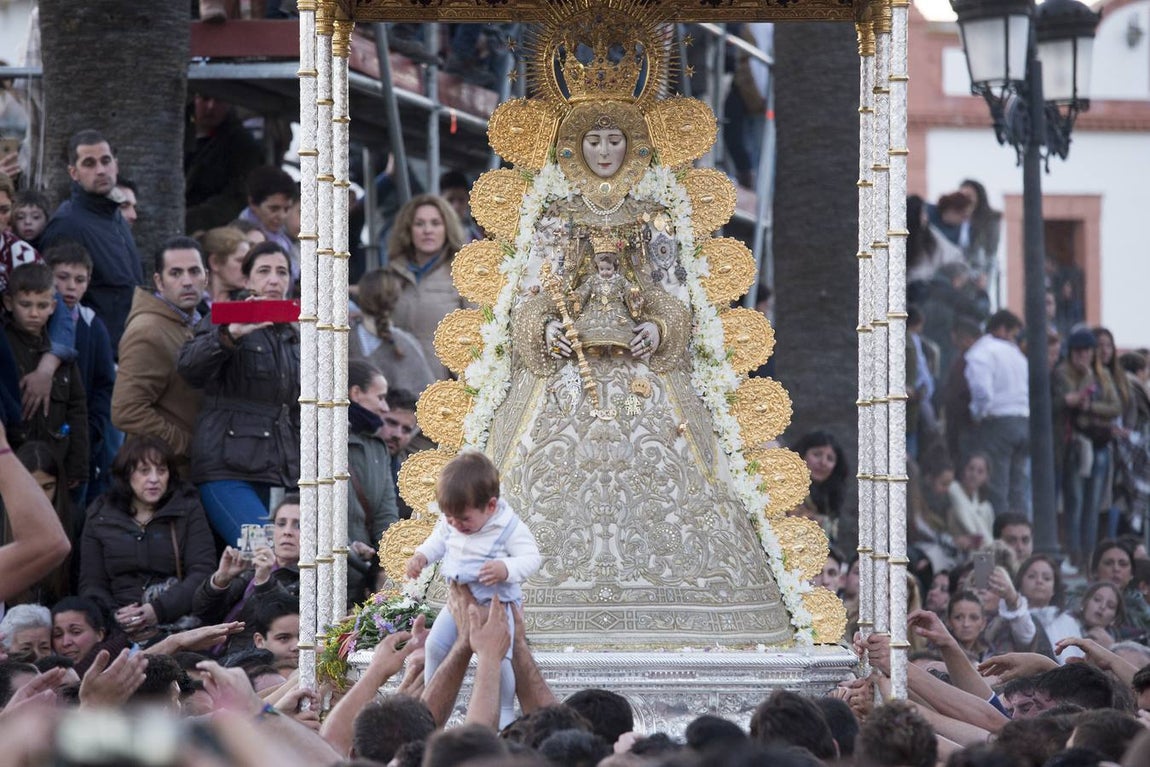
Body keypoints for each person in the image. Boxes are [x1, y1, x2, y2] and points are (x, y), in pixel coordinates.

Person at [406, 451, 542, 728]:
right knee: (435, 646)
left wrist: (505, 568)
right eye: (449, 517)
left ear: (490, 506)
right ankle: (431, 703)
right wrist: (421, 556)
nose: (455, 524)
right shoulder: (452, 520)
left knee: (498, 659)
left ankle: (504, 712)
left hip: (496, 606)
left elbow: (532, 558)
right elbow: (437, 542)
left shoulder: (508, 526)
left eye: (464, 519)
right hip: (459, 602)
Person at [178, 241, 300, 544]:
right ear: (246, 280)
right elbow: (189, 368)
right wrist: (228, 335)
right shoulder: (227, 317)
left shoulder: (294, 332)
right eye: (264, 271)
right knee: (261, 552)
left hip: (279, 470)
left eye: (282, 272)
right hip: (227, 468)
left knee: (284, 561)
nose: (274, 279)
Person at [79, 435, 217, 639]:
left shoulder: (187, 508)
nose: (154, 479)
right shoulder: (99, 515)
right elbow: (92, 583)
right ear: (126, 474)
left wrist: (158, 610)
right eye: (144, 471)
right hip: (117, 627)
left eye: (161, 471)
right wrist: (113, 615)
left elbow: (202, 572)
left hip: (174, 623)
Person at [40, 129, 143, 350]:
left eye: (106, 161)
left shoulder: (116, 215)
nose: (101, 170)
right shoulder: (67, 224)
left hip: (130, 345)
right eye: (89, 163)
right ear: (73, 172)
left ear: (116, 164)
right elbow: (58, 302)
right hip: (94, 350)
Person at [111, 238, 207, 472]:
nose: (187, 281)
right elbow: (126, 412)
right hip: (163, 474)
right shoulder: (148, 331)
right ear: (159, 282)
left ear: (207, 277)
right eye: (175, 273)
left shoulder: (194, 321)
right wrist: (187, 445)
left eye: (194, 271)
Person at [2, 263, 89, 488]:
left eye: (41, 305)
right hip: (15, 461)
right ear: (9, 303)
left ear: (53, 306)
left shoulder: (61, 356)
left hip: (56, 462)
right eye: (25, 304)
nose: (33, 313)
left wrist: (77, 466)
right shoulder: (5, 349)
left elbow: (77, 410)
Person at [45, 242, 117, 503]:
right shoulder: (36, 320)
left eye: (80, 279)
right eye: (62, 278)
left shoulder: (92, 325)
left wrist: (92, 432)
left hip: (81, 438)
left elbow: (103, 385)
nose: (71, 287)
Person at [1053, 329, 1121, 567]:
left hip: (1098, 444)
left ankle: (1089, 556)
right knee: (1076, 502)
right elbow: (1068, 401)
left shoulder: (1101, 374)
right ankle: (1075, 554)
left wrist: (1092, 406)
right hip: (1076, 445)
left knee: (1093, 504)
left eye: (1087, 351)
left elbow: (1114, 406)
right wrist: (1085, 380)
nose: (1083, 356)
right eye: (1079, 351)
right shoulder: (1063, 373)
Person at [382, 194, 467, 381]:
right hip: (397, 383)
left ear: (447, 228)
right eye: (419, 224)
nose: (427, 230)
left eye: (435, 223)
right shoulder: (393, 272)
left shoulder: (464, 273)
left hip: (442, 389)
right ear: (408, 230)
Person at [966, 309, 1030, 516]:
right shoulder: (1017, 355)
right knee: (1018, 487)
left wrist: (978, 414)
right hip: (1022, 420)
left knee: (997, 488)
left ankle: (1001, 536)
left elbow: (982, 391)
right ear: (1001, 329)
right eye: (1013, 333)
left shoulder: (983, 352)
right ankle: (1021, 533)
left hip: (998, 422)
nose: (1015, 339)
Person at [0, 418, 71, 605]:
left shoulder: (76, 518)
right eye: (32, 486)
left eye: (47, 486)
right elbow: (52, 544)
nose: (40, 495)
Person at [346, 359, 399, 600]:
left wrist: (387, 565)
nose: (385, 408)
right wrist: (347, 548)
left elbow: (386, 515)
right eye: (380, 397)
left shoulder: (378, 447)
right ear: (356, 393)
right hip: (331, 569)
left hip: (363, 573)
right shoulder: (324, 435)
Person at [184, 93, 264, 235]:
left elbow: (236, 196)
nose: (211, 107)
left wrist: (189, 218)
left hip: (212, 230)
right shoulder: (175, 131)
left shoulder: (241, 144)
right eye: (205, 98)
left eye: (219, 100)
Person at [349, 269, 435, 398]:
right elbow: (427, 395)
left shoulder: (343, 339)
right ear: (396, 300)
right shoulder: (406, 344)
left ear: (361, 296)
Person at [1015, 554, 1083, 663]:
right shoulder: (1014, 619)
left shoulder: (1068, 621)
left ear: (1054, 589)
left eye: (1046, 578)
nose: (1039, 581)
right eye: (1032, 576)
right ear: (1020, 584)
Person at [791, 430, 852, 547]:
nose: (823, 462)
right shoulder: (784, 485)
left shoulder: (830, 500)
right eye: (817, 454)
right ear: (802, 455)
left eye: (830, 459)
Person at [237, 166, 296, 261]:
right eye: (274, 209)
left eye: (286, 209)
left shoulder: (285, 235)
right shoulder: (240, 239)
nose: (282, 216)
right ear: (252, 203)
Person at [948, 453, 995, 546]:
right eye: (971, 469)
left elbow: (989, 536)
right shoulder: (951, 491)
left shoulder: (986, 508)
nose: (974, 475)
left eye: (980, 472)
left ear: (986, 477)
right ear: (963, 470)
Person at [198, 226, 250, 307]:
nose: (248, 267)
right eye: (240, 261)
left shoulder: (248, 301)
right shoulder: (193, 302)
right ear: (215, 262)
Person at [1075, 580, 1126, 649]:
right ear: (1085, 603)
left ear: (1114, 618)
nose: (1102, 606)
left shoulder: (1117, 643)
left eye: (1110, 606)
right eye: (1097, 599)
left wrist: (1111, 648)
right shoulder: (1065, 624)